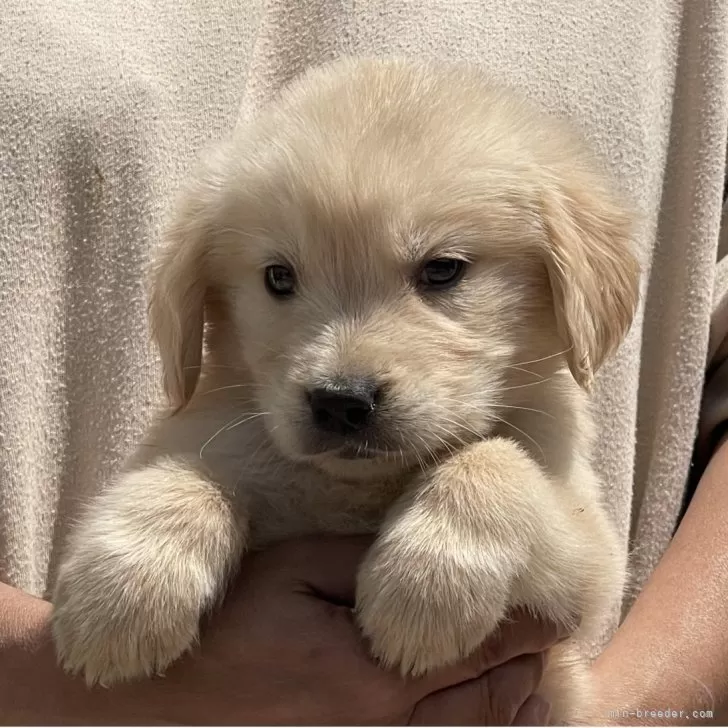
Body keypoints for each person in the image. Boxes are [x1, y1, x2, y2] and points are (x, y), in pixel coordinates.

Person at [0, 0, 726, 724]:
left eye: (440, 272)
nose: (341, 376)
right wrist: (171, 524)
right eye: (280, 280)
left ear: (568, 275)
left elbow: (581, 589)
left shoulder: (530, 417)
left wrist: (487, 502)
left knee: (494, 478)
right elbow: (123, 595)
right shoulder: (225, 425)